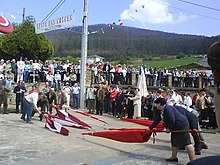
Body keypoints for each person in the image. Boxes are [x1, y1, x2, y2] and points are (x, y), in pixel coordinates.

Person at [151, 98, 196, 162]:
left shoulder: (168, 109)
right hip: (175, 126)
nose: (155, 105)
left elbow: (172, 119)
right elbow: (157, 120)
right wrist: (150, 128)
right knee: (174, 141)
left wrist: (169, 128)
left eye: (156, 104)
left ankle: (193, 160)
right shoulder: (161, 110)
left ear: (160, 104)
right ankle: (173, 157)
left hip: (181, 125)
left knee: (187, 143)